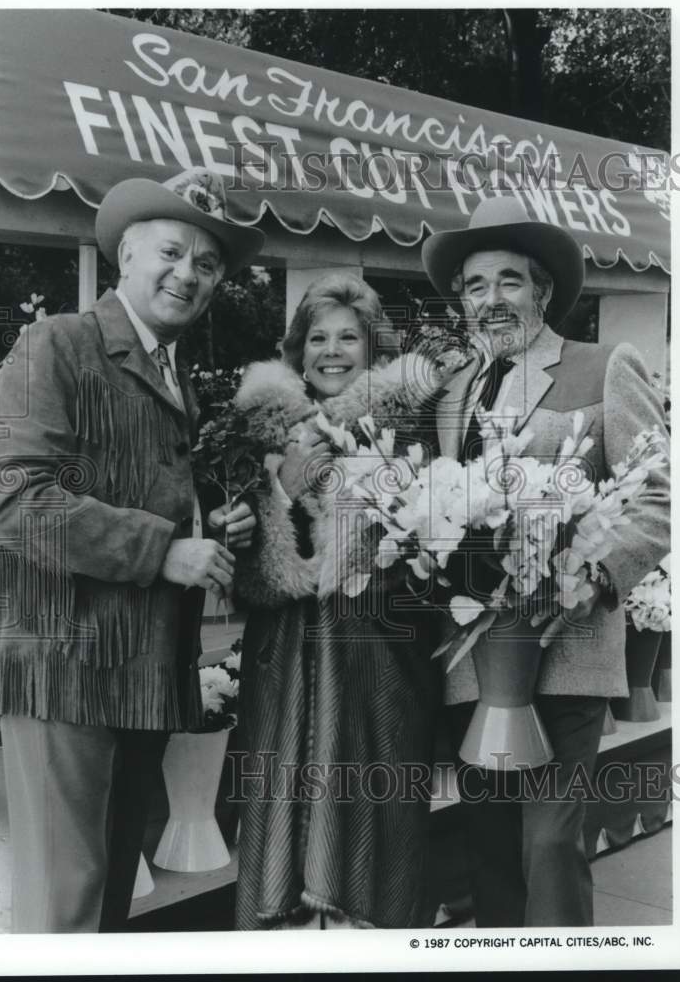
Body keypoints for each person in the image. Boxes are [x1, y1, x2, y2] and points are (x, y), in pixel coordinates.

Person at [0, 167, 264, 932]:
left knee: (106, 899)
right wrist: (163, 550)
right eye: (173, 253)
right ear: (127, 257)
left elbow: (135, 487)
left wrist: (210, 522)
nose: (190, 275)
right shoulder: (57, 344)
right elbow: (12, 498)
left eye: (208, 266)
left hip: (139, 672)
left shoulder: (173, 374)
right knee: (65, 903)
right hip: (63, 669)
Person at [421, 194, 670, 927]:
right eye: (474, 286)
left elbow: (659, 490)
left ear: (543, 291)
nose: (490, 300)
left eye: (507, 281)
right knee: (490, 846)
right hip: (471, 664)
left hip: (566, 650)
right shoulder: (451, 393)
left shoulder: (602, 366)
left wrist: (594, 574)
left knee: (550, 846)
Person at [231, 272, 443, 929]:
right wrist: (286, 494)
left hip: (380, 666)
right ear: (298, 351)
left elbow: (430, 564)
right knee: (282, 821)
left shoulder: (410, 431)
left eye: (348, 337)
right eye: (317, 337)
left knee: (376, 826)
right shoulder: (265, 434)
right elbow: (251, 579)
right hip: (287, 668)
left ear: (372, 349)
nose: (331, 350)